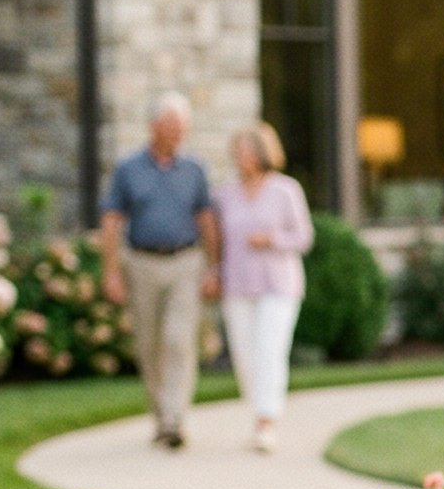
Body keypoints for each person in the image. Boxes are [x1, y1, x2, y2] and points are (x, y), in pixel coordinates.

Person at [101, 92, 219, 449]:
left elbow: (207, 220)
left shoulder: (195, 170)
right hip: (142, 263)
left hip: (186, 262)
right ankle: (160, 415)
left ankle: (174, 419)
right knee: (149, 344)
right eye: (172, 126)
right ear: (154, 127)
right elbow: (111, 221)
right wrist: (111, 272)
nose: (179, 133)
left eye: (183, 127)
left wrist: (214, 267)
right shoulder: (128, 169)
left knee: (179, 340)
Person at [213, 122, 314, 453]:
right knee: (244, 355)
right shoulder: (224, 195)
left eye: (245, 148)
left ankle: (266, 421)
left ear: (262, 151)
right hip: (238, 285)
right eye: (236, 149)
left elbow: (304, 237)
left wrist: (270, 239)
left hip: (278, 285)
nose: (239, 155)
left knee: (270, 349)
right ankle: (258, 411)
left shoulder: (286, 190)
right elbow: (216, 241)